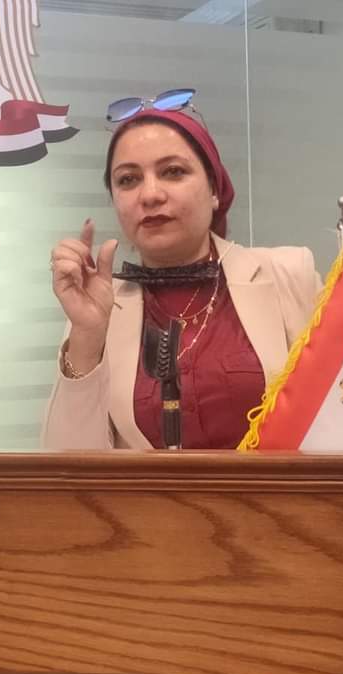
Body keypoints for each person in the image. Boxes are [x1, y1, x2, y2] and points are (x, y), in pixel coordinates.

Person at [41, 105, 321, 450]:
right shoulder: (101, 305)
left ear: (214, 189)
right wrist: (87, 335)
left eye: (173, 172)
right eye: (128, 179)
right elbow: (68, 463)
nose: (150, 194)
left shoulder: (290, 275)